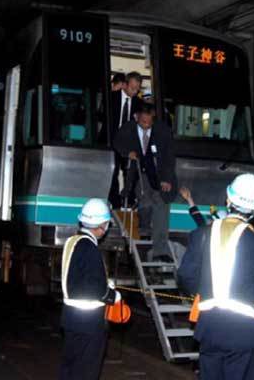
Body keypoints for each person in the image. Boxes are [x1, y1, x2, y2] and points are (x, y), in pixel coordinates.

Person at [178, 173, 254, 380]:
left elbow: (185, 276)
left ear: (228, 199)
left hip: (209, 329)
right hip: (242, 334)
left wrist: (207, 292)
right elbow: (244, 288)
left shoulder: (201, 234)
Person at [59, 198, 121, 380]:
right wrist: (113, 295)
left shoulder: (73, 241)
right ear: (102, 225)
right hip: (89, 322)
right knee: (86, 372)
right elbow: (96, 288)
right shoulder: (90, 247)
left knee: (69, 368)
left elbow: (79, 277)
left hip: (70, 317)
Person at [113, 103, 177, 260]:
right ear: (136, 118)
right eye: (143, 123)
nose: (147, 126)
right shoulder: (128, 129)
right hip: (138, 175)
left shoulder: (163, 131)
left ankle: (160, 250)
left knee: (161, 205)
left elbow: (170, 156)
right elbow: (117, 142)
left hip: (159, 175)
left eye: (150, 122)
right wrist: (128, 152)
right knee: (145, 201)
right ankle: (144, 229)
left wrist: (167, 179)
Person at [108, 72, 144, 208]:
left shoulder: (139, 104)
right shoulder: (112, 97)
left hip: (128, 145)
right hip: (111, 142)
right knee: (113, 172)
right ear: (125, 85)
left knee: (130, 173)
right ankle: (115, 203)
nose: (134, 92)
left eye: (137, 89)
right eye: (132, 88)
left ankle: (128, 202)